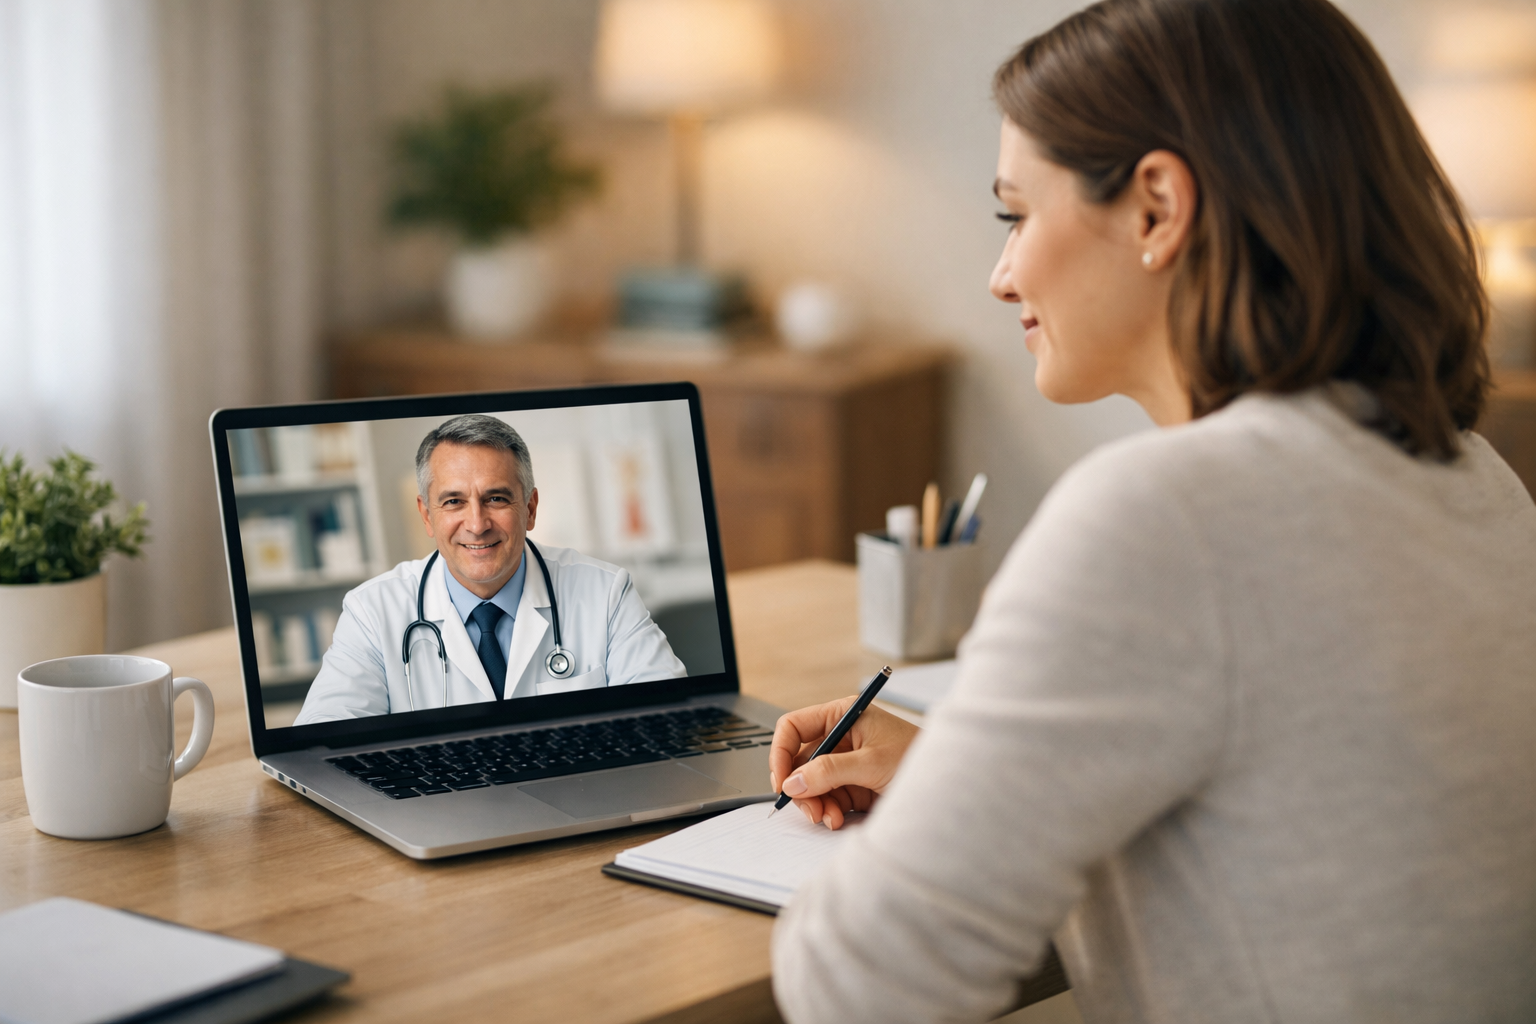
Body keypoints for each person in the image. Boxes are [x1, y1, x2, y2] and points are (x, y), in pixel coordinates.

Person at [768, 1, 1536, 1022]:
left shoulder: (1163, 518)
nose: (1000, 276)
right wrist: (969, 778)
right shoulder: (1473, 477)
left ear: (1157, 208)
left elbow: (858, 981)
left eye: (1014, 216)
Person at [294, 415, 684, 724]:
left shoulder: (606, 592)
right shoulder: (371, 611)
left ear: (529, 509)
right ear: (426, 515)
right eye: (453, 502)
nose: (477, 524)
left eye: (496, 498)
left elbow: (670, 716)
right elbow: (320, 741)